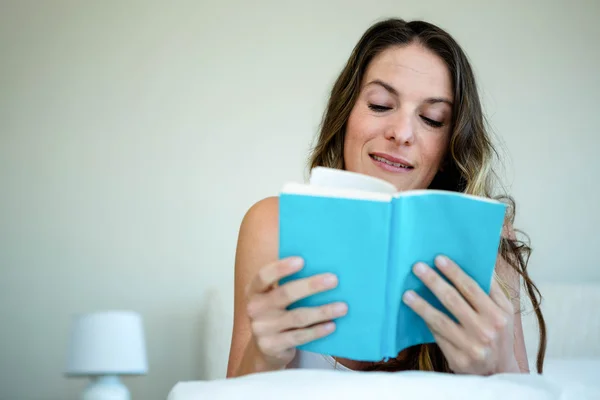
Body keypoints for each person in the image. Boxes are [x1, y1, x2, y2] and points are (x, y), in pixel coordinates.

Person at [226, 17, 547, 377]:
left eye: (431, 118)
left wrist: (496, 367)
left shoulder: (490, 237)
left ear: (449, 146)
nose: (402, 133)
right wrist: (263, 355)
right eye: (380, 105)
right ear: (345, 114)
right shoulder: (272, 225)